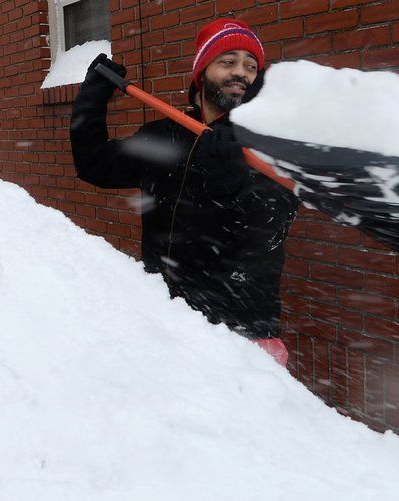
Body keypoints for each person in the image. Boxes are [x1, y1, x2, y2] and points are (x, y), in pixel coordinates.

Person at [70, 19, 299, 366]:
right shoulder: (164, 136)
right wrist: (92, 98)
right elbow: (94, 165)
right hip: (164, 321)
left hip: (240, 335)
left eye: (251, 66)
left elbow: (271, 229)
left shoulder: (268, 144)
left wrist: (231, 180)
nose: (241, 72)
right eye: (228, 61)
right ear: (202, 73)